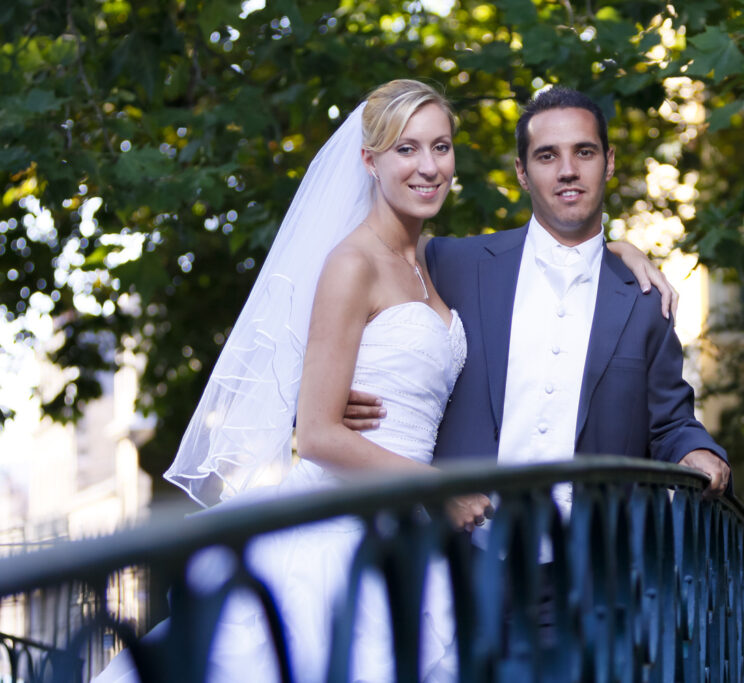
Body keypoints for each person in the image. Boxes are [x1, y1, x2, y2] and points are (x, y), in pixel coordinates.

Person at [96, 80, 671, 683]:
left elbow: (558, 252)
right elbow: (316, 434)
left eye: (441, 147)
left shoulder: (436, 261)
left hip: (418, 538)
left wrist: (622, 251)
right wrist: (437, 489)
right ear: (369, 161)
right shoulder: (350, 264)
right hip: (344, 529)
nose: (428, 167)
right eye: (406, 149)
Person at [347, 86, 730, 495]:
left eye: (584, 152)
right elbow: (347, 280)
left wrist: (697, 452)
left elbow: (670, 421)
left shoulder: (644, 298)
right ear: (521, 172)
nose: (568, 170)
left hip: (588, 549)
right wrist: (322, 403)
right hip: (463, 546)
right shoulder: (452, 264)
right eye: (547, 156)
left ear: (609, 161)